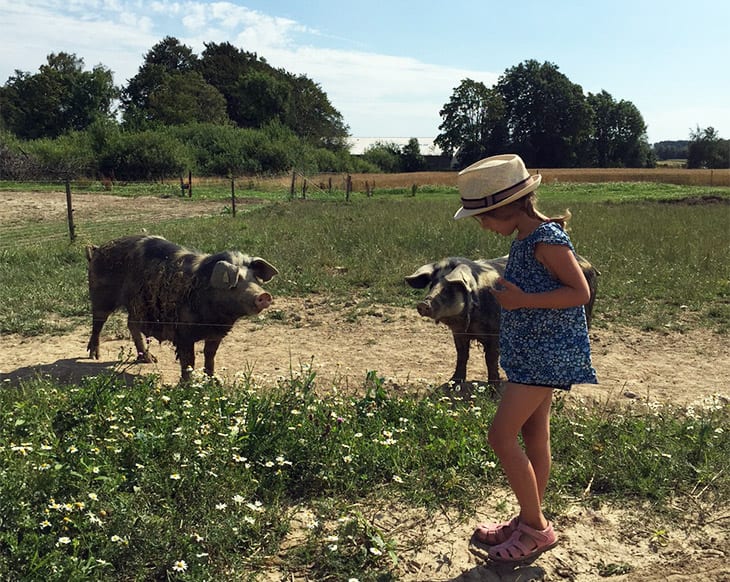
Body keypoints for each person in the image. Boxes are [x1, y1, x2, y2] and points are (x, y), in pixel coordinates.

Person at [453, 154, 598, 564]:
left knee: (499, 437)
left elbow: (579, 292)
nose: (483, 226)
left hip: (545, 356)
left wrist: (522, 300)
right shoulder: (525, 239)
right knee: (535, 435)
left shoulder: (547, 239)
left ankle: (536, 529)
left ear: (510, 206)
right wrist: (510, 290)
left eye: (484, 217)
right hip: (533, 353)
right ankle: (528, 517)